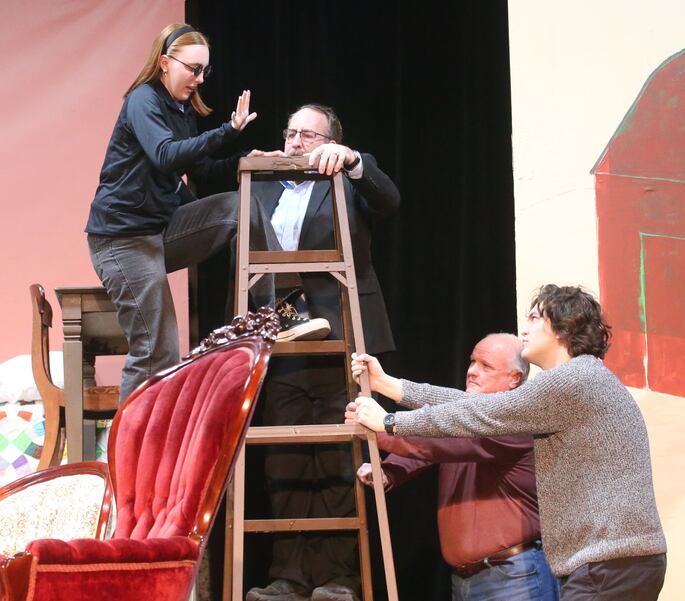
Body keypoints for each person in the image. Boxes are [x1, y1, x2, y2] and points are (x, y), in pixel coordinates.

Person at [348, 285, 668, 601]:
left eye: (533, 318)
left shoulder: (572, 381)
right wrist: (391, 386)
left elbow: (480, 413)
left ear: (562, 327)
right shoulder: (577, 380)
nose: (524, 329)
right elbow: (472, 405)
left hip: (609, 564)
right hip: (612, 563)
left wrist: (390, 423)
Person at [85, 24, 328, 403]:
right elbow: (165, 155)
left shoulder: (182, 110)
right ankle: (131, 457)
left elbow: (198, 172)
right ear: (165, 63)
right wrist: (228, 130)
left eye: (204, 72)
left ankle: (269, 315)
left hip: (161, 229)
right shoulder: (143, 101)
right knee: (156, 349)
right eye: (193, 69)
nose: (199, 79)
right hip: (123, 239)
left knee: (240, 206)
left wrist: (243, 161)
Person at [246, 104, 400, 601]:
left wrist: (351, 160)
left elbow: (388, 197)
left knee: (338, 456)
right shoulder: (266, 184)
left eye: (307, 135)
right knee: (286, 461)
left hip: (343, 336)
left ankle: (339, 578)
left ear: (331, 140)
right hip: (286, 339)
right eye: (290, 133)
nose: (295, 142)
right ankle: (290, 576)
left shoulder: (348, 177)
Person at [356, 333, 559, 601]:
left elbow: (443, 444)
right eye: (472, 362)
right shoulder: (463, 421)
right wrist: (389, 471)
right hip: (466, 579)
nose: (472, 371)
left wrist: (382, 428)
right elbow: (435, 443)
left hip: (513, 578)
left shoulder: (517, 422)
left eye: (486, 367)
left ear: (514, 379)